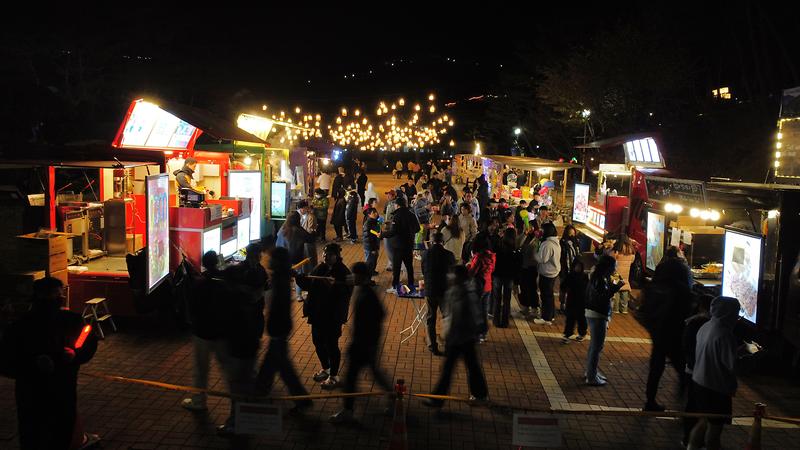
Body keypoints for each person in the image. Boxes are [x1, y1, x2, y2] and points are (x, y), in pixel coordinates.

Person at [0, 277, 100, 449]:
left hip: (37, 394)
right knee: (52, 434)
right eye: (56, 294)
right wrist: (34, 364)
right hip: (49, 392)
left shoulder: (20, 326)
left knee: (38, 435)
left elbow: (86, 339)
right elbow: (5, 360)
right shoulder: (68, 320)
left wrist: (75, 354)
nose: (59, 297)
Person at [330, 262, 394, 423]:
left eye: (354, 274)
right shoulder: (363, 290)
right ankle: (393, 397)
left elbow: (379, 315)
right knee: (374, 372)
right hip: (367, 343)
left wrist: (362, 336)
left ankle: (348, 410)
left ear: (362, 276)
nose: (351, 277)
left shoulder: (367, 295)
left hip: (363, 344)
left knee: (351, 377)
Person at [254, 247, 312, 412]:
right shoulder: (281, 278)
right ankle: (261, 388)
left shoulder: (279, 281)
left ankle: (301, 399)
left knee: (283, 367)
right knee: (274, 363)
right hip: (280, 328)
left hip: (278, 329)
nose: (266, 260)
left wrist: (272, 327)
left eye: (269, 258)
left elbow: (277, 307)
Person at [218, 242, 268, 435]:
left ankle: (237, 422)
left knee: (238, 386)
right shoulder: (258, 272)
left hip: (239, 349)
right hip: (250, 341)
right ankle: (243, 417)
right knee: (245, 381)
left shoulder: (235, 302)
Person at [423, 265, 489, 407]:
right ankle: (478, 394)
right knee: (463, 368)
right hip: (456, 337)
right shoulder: (453, 291)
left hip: (464, 338)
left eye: (453, 275)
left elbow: (475, 316)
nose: (450, 277)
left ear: (460, 277)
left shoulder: (468, 293)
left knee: (465, 368)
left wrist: (476, 331)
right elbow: (449, 315)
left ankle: (438, 399)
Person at [642, 245, 693, 411]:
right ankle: (685, 401)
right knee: (682, 366)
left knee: (656, 366)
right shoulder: (681, 288)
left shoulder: (657, 283)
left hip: (657, 331)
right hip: (674, 333)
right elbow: (686, 309)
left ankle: (650, 400)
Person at [687, 296, 741, 450]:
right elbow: (732, 365)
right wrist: (752, 358)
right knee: (715, 428)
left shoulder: (705, 327)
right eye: (736, 312)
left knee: (703, 421)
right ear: (728, 313)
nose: (737, 316)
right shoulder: (725, 334)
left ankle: (692, 446)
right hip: (716, 387)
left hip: (699, 381)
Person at [296, 243, 352, 389]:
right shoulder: (320, 268)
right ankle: (326, 368)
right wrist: (298, 277)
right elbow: (309, 284)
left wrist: (334, 286)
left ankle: (334, 375)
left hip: (332, 316)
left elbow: (346, 293)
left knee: (332, 345)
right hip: (317, 313)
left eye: (329, 254)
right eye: (324, 254)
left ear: (337, 256)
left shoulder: (342, 271)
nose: (326, 256)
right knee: (317, 341)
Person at [182, 251, 231, 412]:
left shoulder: (199, 283)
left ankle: (198, 401)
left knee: (200, 369)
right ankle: (236, 400)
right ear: (217, 262)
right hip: (221, 332)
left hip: (202, 332)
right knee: (227, 369)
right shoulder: (224, 282)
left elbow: (192, 308)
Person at [584, 255, 623, 386]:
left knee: (594, 345)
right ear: (608, 267)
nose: (615, 268)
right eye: (614, 265)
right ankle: (591, 376)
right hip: (597, 314)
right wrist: (615, 288)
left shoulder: (598, 276)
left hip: (593, 313)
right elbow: (602, 297)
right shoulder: (600, 279)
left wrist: (612, 286)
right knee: (597, 347)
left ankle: (591, 371)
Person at [682, 294, 714, 447]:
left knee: (692, 405)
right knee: (699, 409)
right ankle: (692, 440)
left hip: (692, 369)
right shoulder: (703, 324)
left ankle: (688, 437)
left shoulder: (693, 321)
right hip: (698, 371)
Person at [422, 232, 456, 355]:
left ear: (431, 241)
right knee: (447, 317)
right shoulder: (449, 255)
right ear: (443, 242)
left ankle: (432, 345)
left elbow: (423, 270)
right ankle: (448, 344)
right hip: (445, 290)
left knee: (430, 318)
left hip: (430, 290)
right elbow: (453, 272)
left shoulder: (426, 254)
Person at [383, 195, 420, 293]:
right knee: (409, 266)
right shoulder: (411, 214)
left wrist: (382, 234)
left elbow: (393, 232)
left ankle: (395, 286)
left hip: (398, 246)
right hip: (409, 245)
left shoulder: (397, 216)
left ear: (397, 205)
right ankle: (411, 284)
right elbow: (418, 228)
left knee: (397, 267)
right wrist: (409, 232)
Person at [466, 236, 495, 343]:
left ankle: (477, 335)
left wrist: (469, 264)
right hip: (488, 286)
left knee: (476, 311)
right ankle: (483, 334)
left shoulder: (479, 257)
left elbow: (472, 272)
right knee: (484, 311)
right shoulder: (492, 256)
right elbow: (492, 270)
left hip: (478, 287)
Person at [492, 228, 520, 328]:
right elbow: (517, 266)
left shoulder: (498, 245)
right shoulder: (515, 249)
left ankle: (496, 320)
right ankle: (505, 321)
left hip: (497, 274)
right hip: (509, 276)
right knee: (507, 299)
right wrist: (517, 281)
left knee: (497, 298)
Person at [534, 223, 561, 325]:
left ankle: (546, 318)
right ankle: (551, 315)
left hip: (547, 272)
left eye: (542, 230)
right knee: (549, 295)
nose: (541, 232)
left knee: (546, 295)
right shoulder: (555, 241)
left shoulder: (547, 244)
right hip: (553, 272)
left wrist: (534, 254)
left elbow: (542, 259)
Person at [561, 258, 589, 343]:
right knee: (570, 318)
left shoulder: (584, 276)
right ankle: (567, 334)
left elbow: (588, 288)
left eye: (580, 266)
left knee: (581, 318)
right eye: (577, 266)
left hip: (582, 301)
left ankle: (582, 333)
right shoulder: (570, 275)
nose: (578, 268)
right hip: (572, 300)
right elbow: (563, 286)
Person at [517, 227, 540, 317]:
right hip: (523, 266)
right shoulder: (524, 236)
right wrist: (524, 234)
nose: (529, 228)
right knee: (523, 287)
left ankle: (534, 308)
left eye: (531, 227)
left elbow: (537, 252)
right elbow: (518, 244)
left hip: (532, 267)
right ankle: (525, 307)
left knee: (532, 288)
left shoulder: (537, 240)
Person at [559, 225, 581, 313]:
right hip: (564, 269)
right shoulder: (562, 242)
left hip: (573, 269)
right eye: (570, 233)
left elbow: (578, 254)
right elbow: (562, 257)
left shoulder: (576, 243)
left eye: (573, 233)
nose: (572, 235)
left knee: (572, 289)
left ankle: (569, 306)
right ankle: (562, 305)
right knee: (563, 287)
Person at [611, 238, 636, 314]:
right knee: (625, 290)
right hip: (626, 275)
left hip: (617, 275)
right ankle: (624, 309)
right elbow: (632, 261)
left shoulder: (617, 253)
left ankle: (616, 309)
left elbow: (612, 258)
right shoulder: (631, 254)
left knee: (617, 291)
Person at [383, 190, 400, 272]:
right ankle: (391, 263)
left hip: (391, 228)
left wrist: (389, 222)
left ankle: (393, 264)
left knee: (390, 247)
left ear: (394, 196)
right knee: (388, 247)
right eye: (387, 195)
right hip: (387, 227)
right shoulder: (388, 203)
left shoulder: (395, 205)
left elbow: (395, 218)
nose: (388, 197)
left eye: (389, 195)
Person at [362, 207, 381, 276]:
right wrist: (372, 248)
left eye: (376, 212)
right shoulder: (368, 223)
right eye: (373, 213)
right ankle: (368, 274)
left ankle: (372, 271)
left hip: (374, 244)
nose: (376, 214)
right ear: (369, 215)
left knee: (374, 259)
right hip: (370, 246)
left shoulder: (375, 221)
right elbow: (368, 238)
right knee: (370, 260)